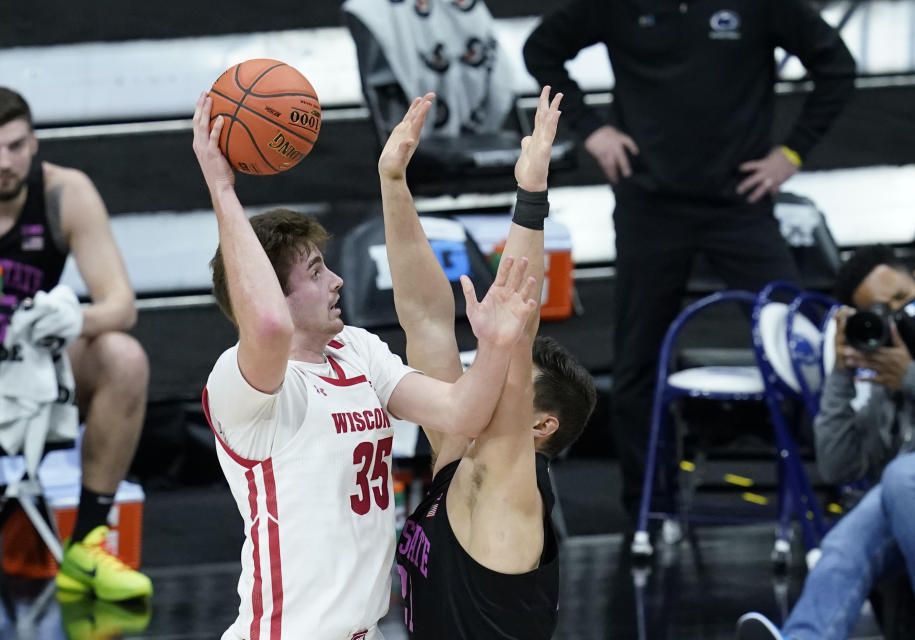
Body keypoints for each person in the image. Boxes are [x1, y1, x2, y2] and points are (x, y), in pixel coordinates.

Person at [192, 91, 539, 640]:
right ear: (273, 298)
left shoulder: (356, 349)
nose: (337, 281)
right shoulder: (242, 388)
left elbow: (461, 414)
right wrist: (221, 188)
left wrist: (496, 343)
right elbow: (266, 328)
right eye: (314, 272)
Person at [523, 0, 857, 523]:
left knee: (804, 342)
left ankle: (834, 494)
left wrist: (791, 154)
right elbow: (540, 50)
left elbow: (836, 66)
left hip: (740, 204)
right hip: (649, 206)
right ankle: (648, 512)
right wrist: (592, 129)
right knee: (636, 363)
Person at [380, 87, 596, 637]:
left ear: (539, 426)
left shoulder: (504, 482)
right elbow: (425, 318)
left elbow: (518, 331)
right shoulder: (460, 452)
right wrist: (394, 185)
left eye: (508, 388)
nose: (488, 379)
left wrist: (531, 195)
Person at [737, 244, 915, 640]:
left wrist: (913, 377)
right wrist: (842, 371)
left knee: (905, 476)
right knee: (846, 542)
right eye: (883, 310)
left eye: (903, 297)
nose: (899, 314)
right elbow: (839, 465)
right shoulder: (888, 380)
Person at [0, 87, 152, 602]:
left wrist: (65, 317)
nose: (5, 162)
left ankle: (87, 544)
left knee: (121, 356)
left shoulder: (65, 192)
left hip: (37, 365)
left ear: (34, 142)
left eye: (16, 146)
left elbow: (121, 306)